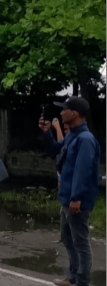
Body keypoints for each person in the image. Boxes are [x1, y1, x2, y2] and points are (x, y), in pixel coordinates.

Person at [39, 97, 101, 286]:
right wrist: (47, 132)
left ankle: (82, 280)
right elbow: (54, 150)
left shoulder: (85, 139)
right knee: (67, 238)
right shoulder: (73, 135)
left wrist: (76, 198)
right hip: (66, 198)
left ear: (74, 113)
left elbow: (83, 172)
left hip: (76, 200)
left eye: (64, 109)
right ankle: (73, 276)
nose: (61, 113)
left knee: (80, 242)